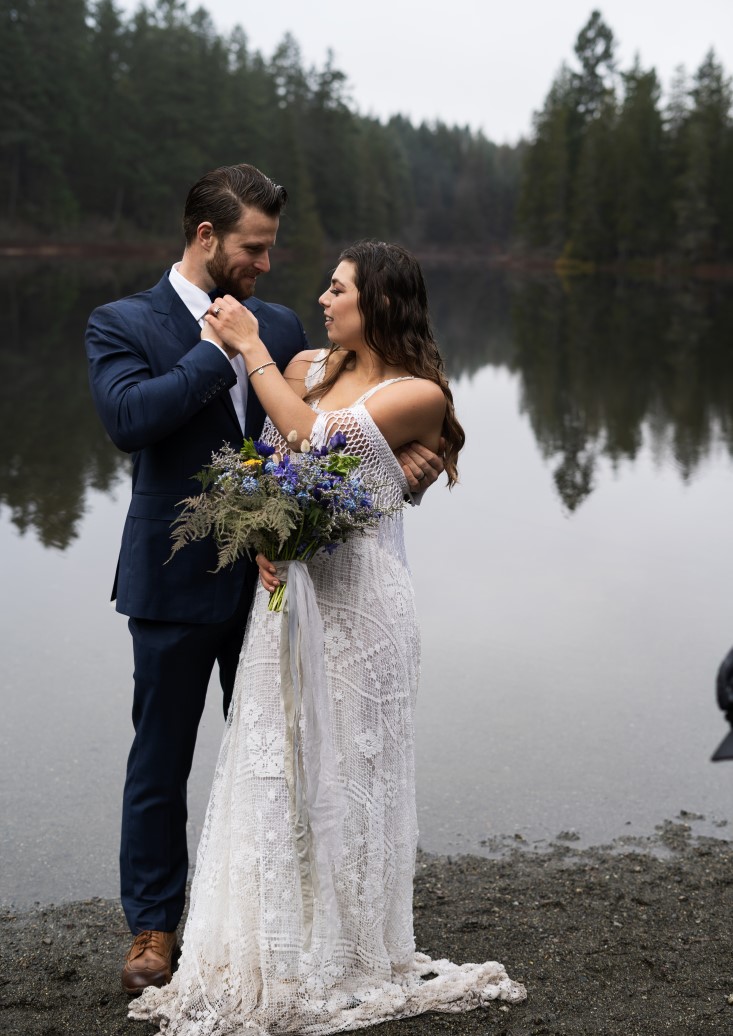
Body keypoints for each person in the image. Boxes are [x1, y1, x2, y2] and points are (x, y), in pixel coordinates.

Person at [129, 240, 526, 1033]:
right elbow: (275, 461)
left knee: (353, 769)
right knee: (281, 765)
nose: (320, 297)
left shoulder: (417, 393)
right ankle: (281, 935)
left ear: (376, 301)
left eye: (336, 288)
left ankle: (345, 945)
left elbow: (313, 440)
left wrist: (249, 348)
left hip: (364, 608)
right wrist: (267, 531)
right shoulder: (310, 362)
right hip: (289, 597)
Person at [85, 166, 443, 995]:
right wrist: (218, 350)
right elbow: (129, 420)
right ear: (206, 238)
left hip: (284, 588)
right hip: (172, 579)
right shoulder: (122, 323)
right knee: (160, 758)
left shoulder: (279, 325)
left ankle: (286, 913)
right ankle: (153, 927)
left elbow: (342, 422)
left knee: (283, 757)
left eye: (273, 248)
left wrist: (410, 467)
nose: (267, 265)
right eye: (254, 247)